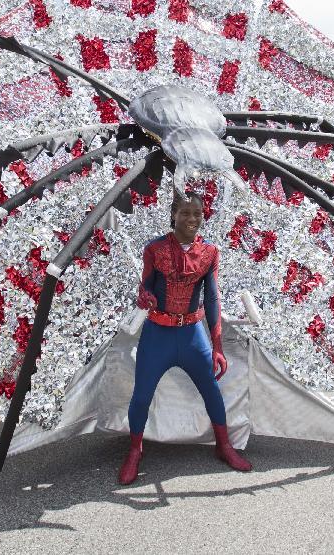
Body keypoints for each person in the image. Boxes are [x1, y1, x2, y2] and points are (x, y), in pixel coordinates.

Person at [119, 192, 252, 485]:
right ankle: (134, 451)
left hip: (193, 334)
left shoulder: (210, 253)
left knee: (212, 392)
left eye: (198, 214)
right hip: (158, 334)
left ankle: (224, 446)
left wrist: (217, 346)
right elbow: (145, 286)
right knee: (142, 395)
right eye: (186, 213)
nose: (193, 219)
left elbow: (213, 299)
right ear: (174, 215)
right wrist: (145, 295)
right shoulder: (154, 249)